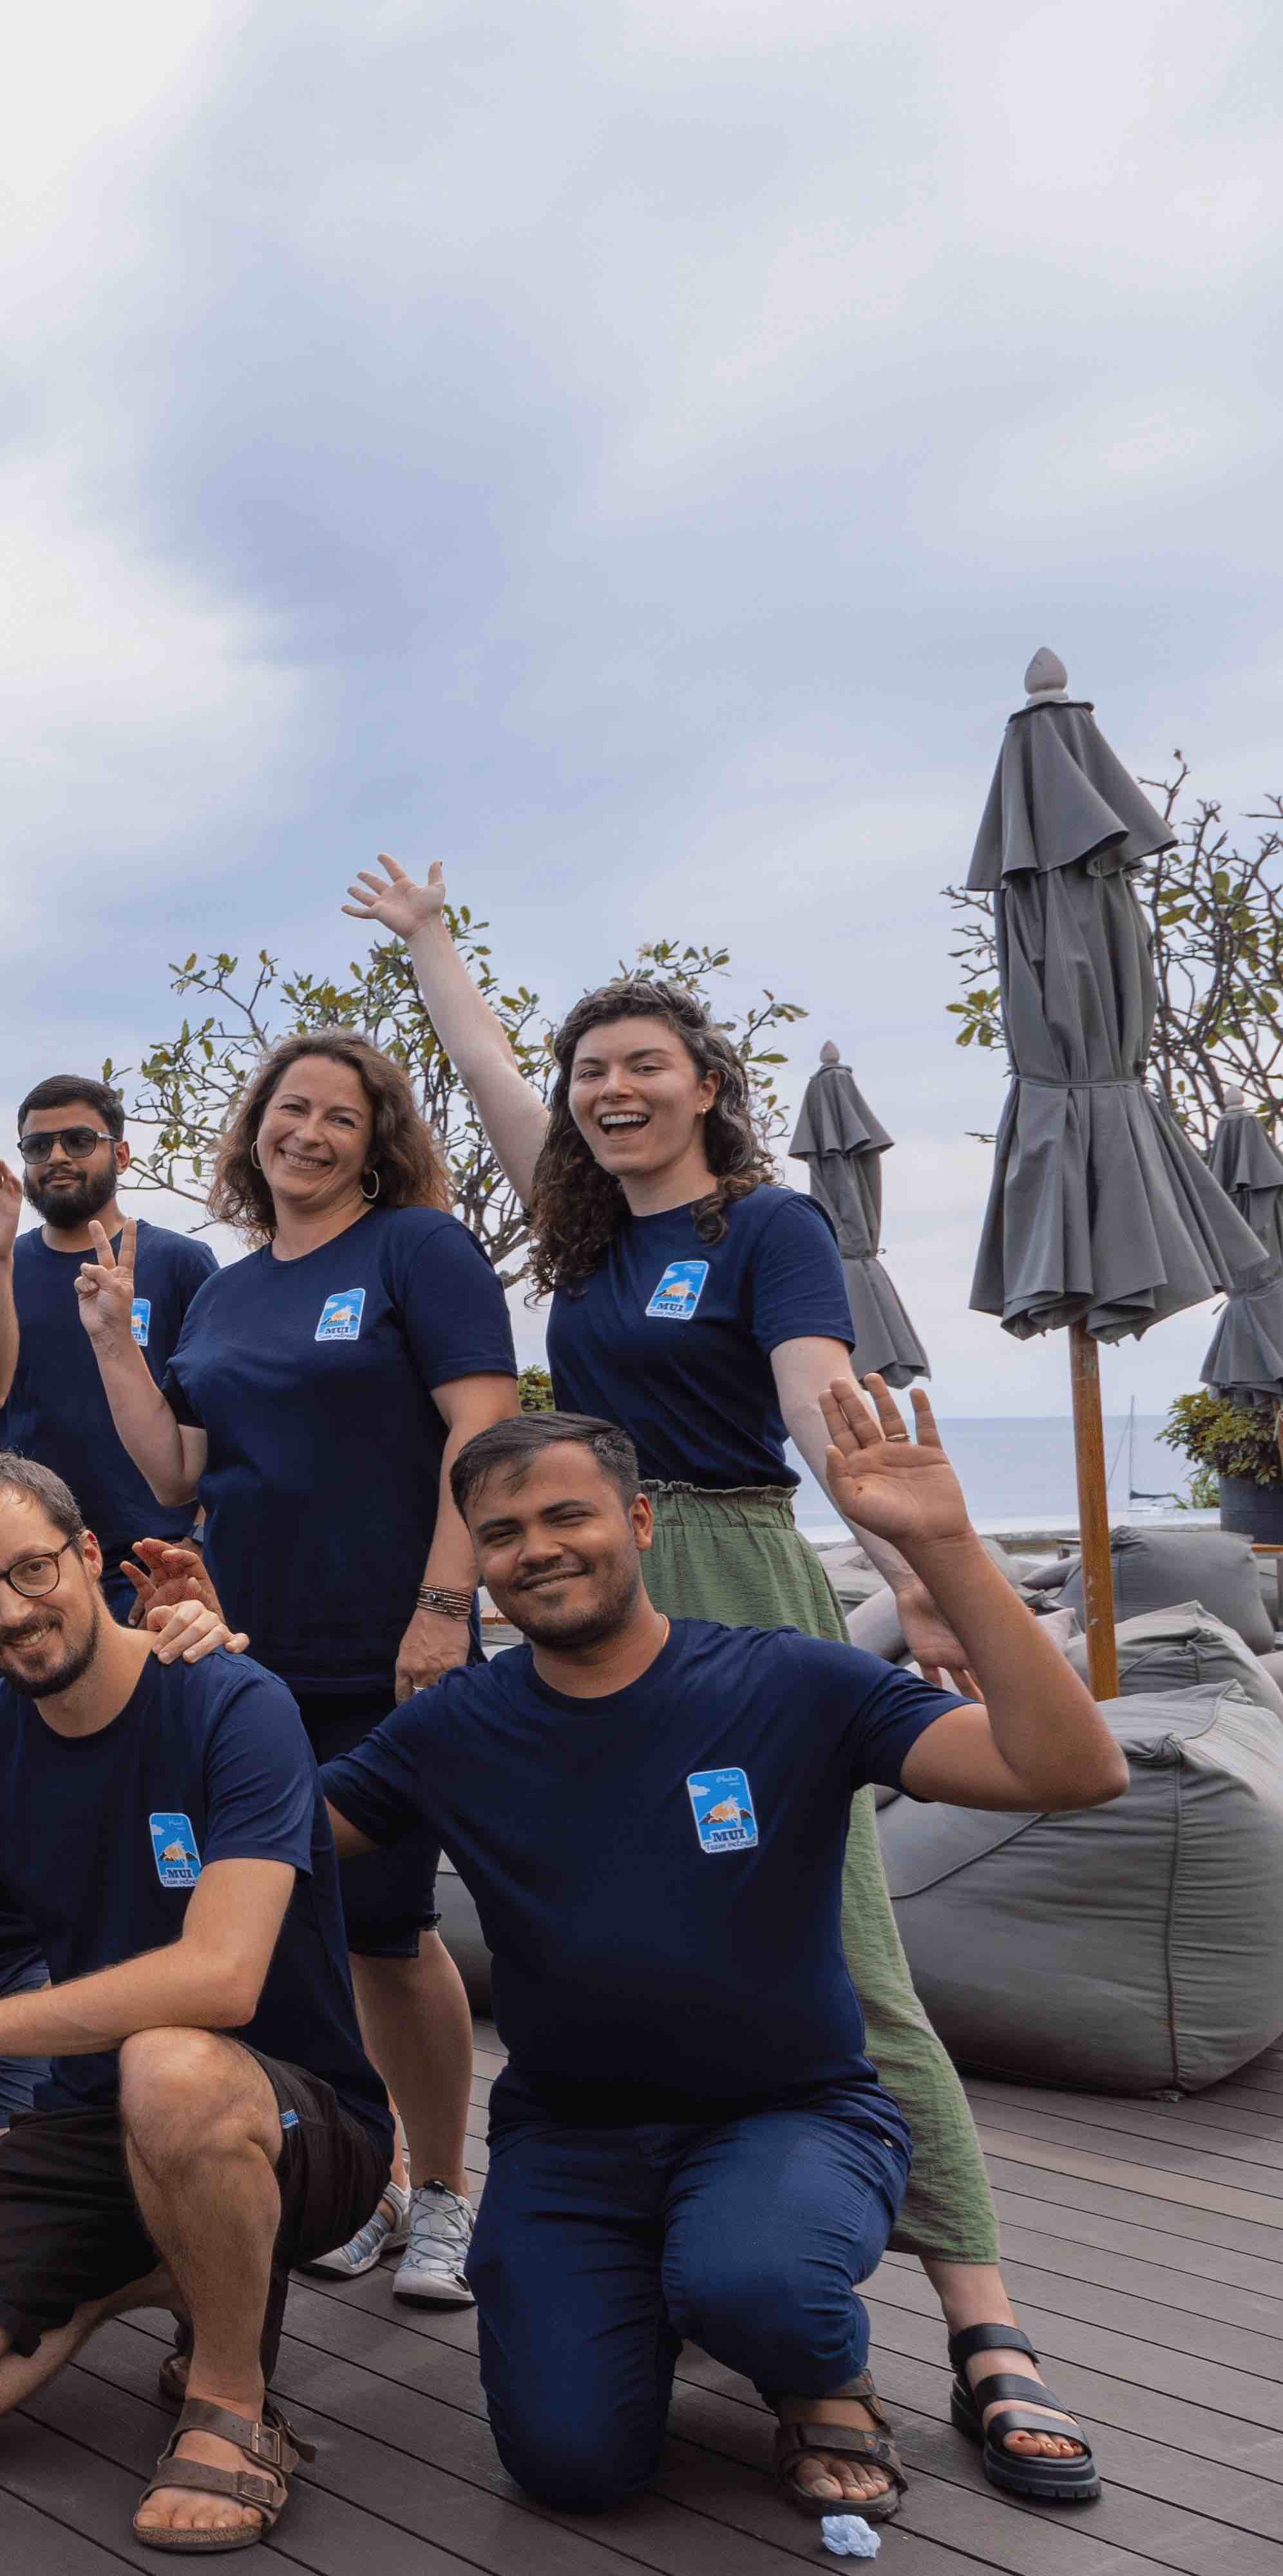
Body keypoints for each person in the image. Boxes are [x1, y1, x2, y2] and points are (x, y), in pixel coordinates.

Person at [348, 857, 1100, 2501]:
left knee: (849, 1962)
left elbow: (820, 1392)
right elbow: (483, 1068)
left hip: (735, 1569)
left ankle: (986, 2326)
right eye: (591, 1072)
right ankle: (687, 2246)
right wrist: (428, 943)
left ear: (707, 1088)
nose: (611, 1091)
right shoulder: (589, 1225)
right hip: (579, 1577)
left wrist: (912, 1569)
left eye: (645, 1067)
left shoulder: (769, 1223)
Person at [316, 1402, 1126, 2520]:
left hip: (791, 2114)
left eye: (568, 1515)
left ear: (641, 1521)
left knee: (761, 2286)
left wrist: (945, 1545)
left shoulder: (792, 1681)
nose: (536, 1548)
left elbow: (1073, 1771)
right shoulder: (452, 1725)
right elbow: (277, 1839)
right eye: (502, 1534)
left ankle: (819, 2370)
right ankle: (665, 2291)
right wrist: (192, 1687)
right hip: (572, 2142)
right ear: (481, 1565)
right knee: (571, 2465)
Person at [0, 1456, 394, 2556]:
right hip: (100, 2124)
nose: (11, 1612)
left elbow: (223, 1976)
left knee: (170, 2065)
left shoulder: (233, 1702)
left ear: (88, 1558)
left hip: (301, 2122)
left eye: (31, 1570)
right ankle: (160, 2260)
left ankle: (230, 2403)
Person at [71, 1028, 517, 2306]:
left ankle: (441, 2192)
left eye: (340, 1115)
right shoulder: (229, 1284)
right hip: (243, 1657)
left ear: (379, 1139)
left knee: (386, 1924)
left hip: (392, 1647)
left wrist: (444, 1602)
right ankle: (357, 2175)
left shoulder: (420, 1250)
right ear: (254, 1126)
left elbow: (482, 1433)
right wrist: (112, 1341)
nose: (309, 1132)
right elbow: (178, 1472)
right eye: (289, 1108)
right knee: (279, 1930)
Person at [0, 1077, 220, 1615]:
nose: (58, 1157)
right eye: (39, 1146)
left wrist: (197, 1541)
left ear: (123, 1154)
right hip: (31, 1566)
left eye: (79, 1141)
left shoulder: (182, 1265)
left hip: (156, 1564)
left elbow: (223, 1416)